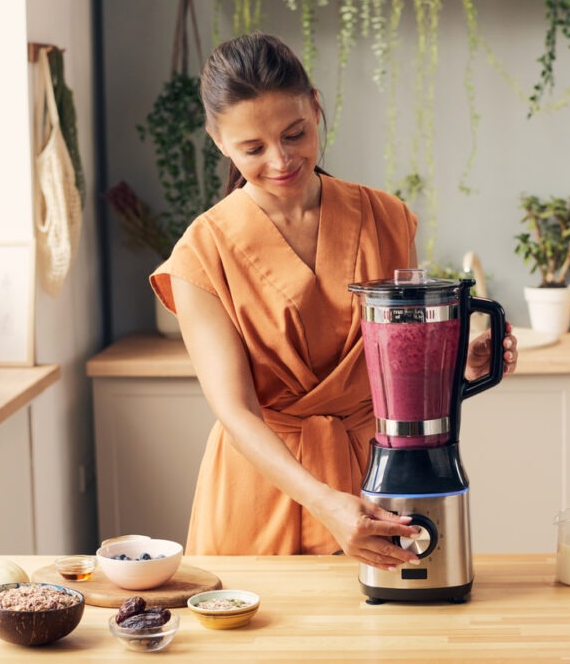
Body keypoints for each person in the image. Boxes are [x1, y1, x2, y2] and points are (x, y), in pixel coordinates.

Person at [150, 32, 518, 570]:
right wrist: (323, 502)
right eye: (252, 148)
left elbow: (401, 369)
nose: (280, 160)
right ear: (218, 141)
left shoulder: (387, 218)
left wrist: (460, 364)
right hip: (262, 490)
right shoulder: (201, 253)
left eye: (294, 133)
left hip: (378, 474)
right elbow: (235, 410)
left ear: (316, 107)